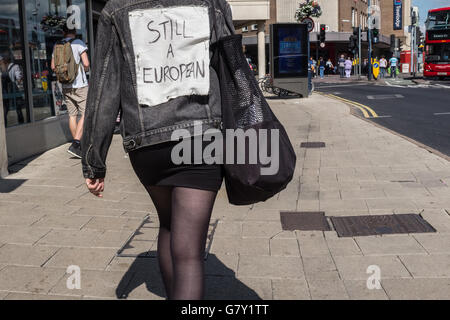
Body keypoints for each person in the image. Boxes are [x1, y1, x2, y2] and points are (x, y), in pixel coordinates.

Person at [81, 0, 235, 300]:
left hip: (146, 142)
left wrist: (93, 160)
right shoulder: (212, 3)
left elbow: (103, 86)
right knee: (189, 252)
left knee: (168, 222)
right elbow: (231, 69)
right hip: (201, 138)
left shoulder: (116, 9)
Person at [51, 25, 90, 158]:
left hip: (66, 85)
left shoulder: (57, 45)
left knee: (72, 115)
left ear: (63, 32)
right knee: (86, 113)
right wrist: (84, 71)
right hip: (80, 85)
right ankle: (76, 144)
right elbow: (86, 63)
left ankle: (77, 147)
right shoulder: (79, 43)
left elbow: (52, 66)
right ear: (74, 32)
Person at [0, 54, 25, 126]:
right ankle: (21, 124)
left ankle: (4, 126)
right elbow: (19, 79)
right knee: (18, 109)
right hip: (14, 91)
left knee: (5, 110)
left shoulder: (2, 68)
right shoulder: (15, 67)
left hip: (5, 92)